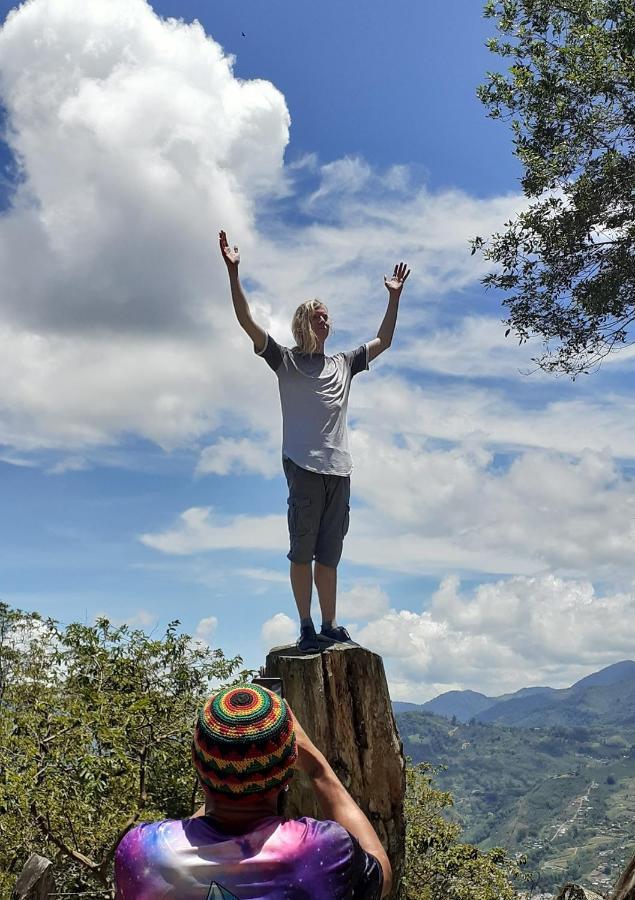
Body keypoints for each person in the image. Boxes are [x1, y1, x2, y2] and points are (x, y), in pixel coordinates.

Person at [219, 230, 410, 652]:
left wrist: (393, 297)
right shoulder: (285, 361)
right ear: (305, 322)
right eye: (320, 316)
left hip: (339, 469)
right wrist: (234, 272)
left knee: (330, 554)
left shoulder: (344, 363)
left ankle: (329, 623)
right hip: (303, 466)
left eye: (328, 317)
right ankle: (306, 624)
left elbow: (386, 341)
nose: (328, 321)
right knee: (300, 552)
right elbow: (247, 322)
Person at [115, 683, 392, 898]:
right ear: (288, 772)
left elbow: (194, 826)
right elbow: (381, 874)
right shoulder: (322, 850)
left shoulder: (142, 852)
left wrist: (220, 776)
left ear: (197, 766)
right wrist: (318, 769)